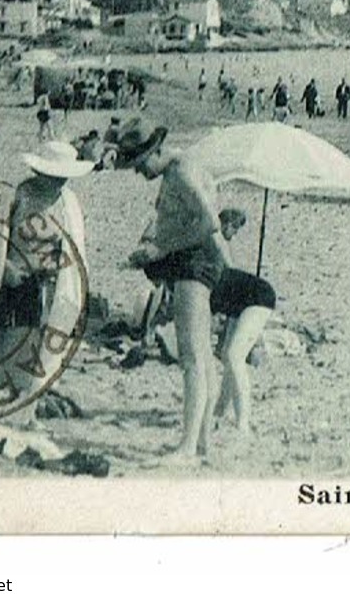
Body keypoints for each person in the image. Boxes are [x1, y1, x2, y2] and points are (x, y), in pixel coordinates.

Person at [115, 119, 224, 465]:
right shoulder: (180, 168)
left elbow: (211, 224)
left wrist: (162, 249)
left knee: (191, 357)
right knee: (203, 355)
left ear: (158, 150)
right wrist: (156, 246)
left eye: (141, 163)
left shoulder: (182, 173)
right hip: (193, 260)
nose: (139, 172)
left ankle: (188, 447)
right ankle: (203, 441)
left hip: (195, 262)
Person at [0, 141, 93, 425]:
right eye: (55, 174)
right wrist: (5, 267)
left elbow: (74, 243)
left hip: (54, 281)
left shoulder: (67, 200)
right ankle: (14, 404)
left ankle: (29, 408)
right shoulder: (22, 194)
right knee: (17, 339)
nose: (60, 180)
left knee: (46, 342)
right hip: (20, 279)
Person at [207, 209, 277, 435]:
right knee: (229, 352)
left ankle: (243, 424)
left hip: (259, 298)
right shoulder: (209, 272)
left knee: (234, 356)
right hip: (242, 302)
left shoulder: (201, 285)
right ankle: (220, 409)